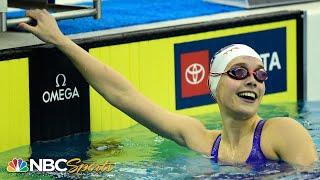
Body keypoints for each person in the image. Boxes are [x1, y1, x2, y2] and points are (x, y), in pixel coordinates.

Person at [19, 9, 318, 166]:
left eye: (260, 74)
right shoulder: (200, 140)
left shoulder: (283, 132)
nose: (252, 79)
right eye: (238, 72)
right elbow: (125, 95)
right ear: (213, 86)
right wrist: (61, 40)